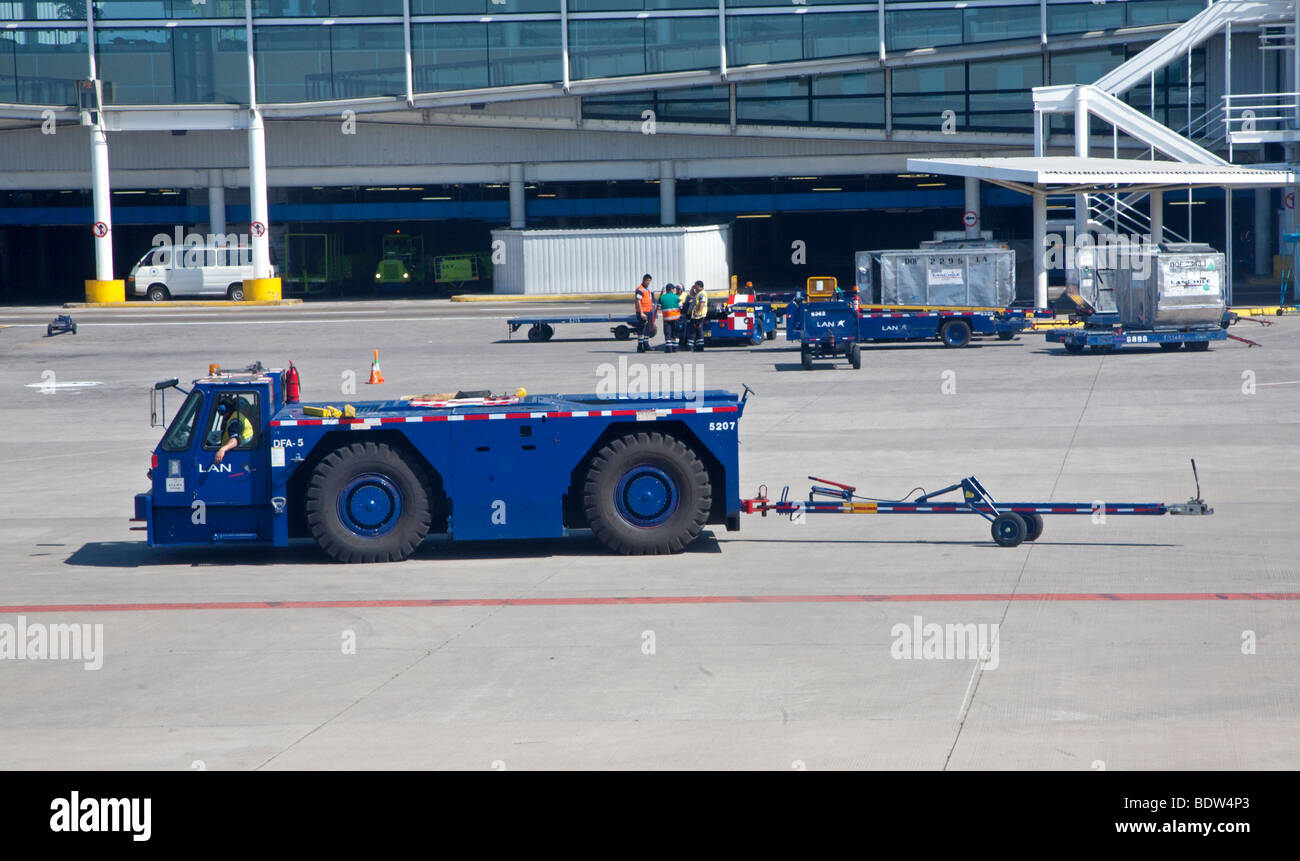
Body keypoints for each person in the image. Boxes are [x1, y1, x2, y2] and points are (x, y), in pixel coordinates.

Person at [213, 395, 254, 465]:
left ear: (223, 410)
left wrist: (222, 449)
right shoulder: (235, 416)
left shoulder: (234, 421)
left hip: (240, 455)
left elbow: (235, 440)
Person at [633, 274, 654, 353]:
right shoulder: (640, 289)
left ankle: (646, 344)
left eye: (649, 281)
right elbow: (638, 301)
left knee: (648, 329)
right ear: (643, 280)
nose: (648, 282)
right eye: (647, 280)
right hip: (643, 312)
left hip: (649, 311)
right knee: (641, 329)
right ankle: (640, 346)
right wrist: (641, 313)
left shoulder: (647, 290)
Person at [658, 282, 681, 352]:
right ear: (671, 289)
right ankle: (675, 348)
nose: (674, 290)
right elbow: (681, 306)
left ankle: (669, 349)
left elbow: (658, 307)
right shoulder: (676, 297)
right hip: (675, 318)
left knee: (668, 333)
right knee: (675, 333)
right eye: (673, 289)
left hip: (666, 319)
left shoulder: (662, 297)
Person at [687, 280, 708, 352]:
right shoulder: (698, 293)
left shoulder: (702, 294)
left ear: (699, 286)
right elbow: (691, 295)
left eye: (695, 285)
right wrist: (692, 288)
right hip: (695, 315)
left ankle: (699, 347)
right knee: (693, 331)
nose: (695, 286)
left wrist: (698, 312)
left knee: (698, 331)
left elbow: (702, 303)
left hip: (699, 315)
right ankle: (692, 347)